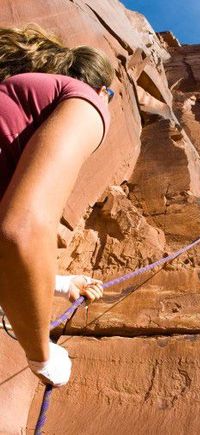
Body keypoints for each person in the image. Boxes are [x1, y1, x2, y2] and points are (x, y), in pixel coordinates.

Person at [0, 25, 115, 387]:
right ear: (100, 87)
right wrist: (42, 356)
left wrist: (60, 283)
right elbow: (21, 230)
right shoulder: (86, 99)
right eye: (109, 93)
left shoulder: (19, 100)